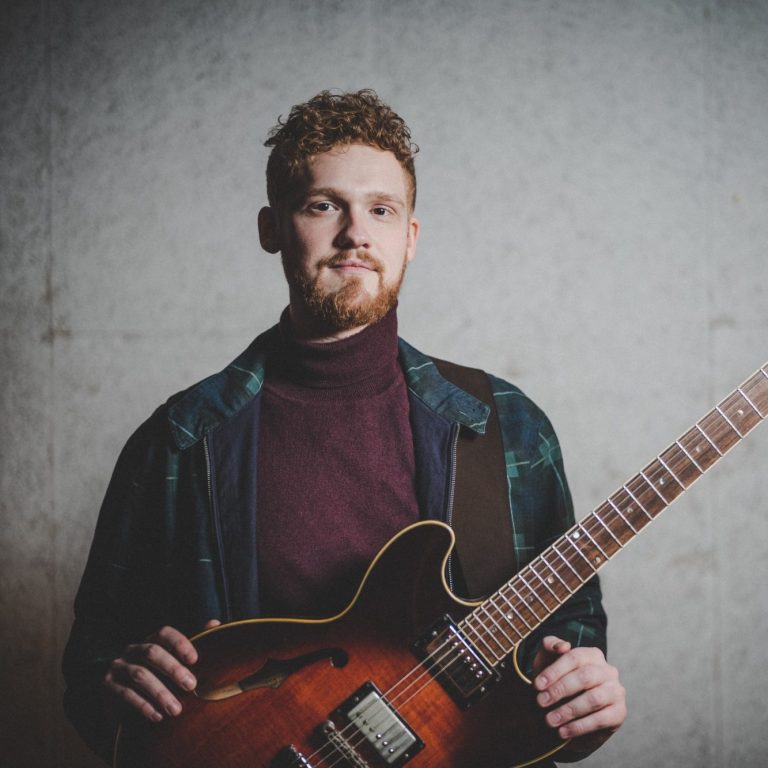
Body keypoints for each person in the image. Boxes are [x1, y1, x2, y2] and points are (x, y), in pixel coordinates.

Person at [62, 89, 626, 765]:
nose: (356, 233)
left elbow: (567, 637)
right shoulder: (182, 440)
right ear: (273, 228)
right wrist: (115, 683)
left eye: (381, 210)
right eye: (323, 204)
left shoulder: (509, 427)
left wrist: (582, 705)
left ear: (409, 237)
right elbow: (90, 663)